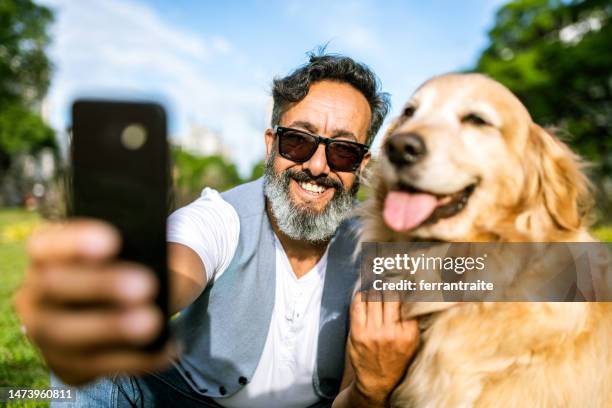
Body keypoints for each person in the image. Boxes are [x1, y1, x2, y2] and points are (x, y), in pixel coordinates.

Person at [15, 52, 419, 408]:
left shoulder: (381, 242)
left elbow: (478, 278)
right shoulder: (221, 215)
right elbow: (177, 264)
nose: (316, 166)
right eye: (298, 141)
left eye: (343, 150)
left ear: (363, 165)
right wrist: (117, 300)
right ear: (271, 144)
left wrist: (373, 387)